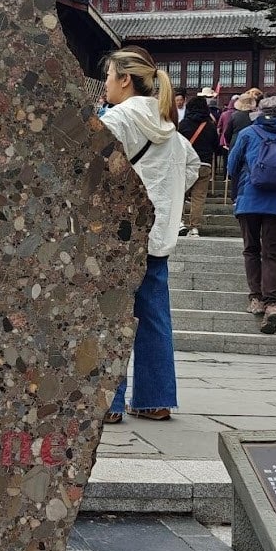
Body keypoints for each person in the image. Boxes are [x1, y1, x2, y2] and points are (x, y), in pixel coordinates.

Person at [97, 49, 201, 422]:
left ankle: (108, 403)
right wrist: (165, 196)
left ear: (125, 79)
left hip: (119, 236)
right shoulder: (167, 125)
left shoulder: (117, 119)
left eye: (109, 75)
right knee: (155, 317)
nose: (106, 83)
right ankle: (155, 400)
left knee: (112, 317)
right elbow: (192, 166)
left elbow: (91, 168)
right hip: (157, 237)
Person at [227, 94, 276, 334]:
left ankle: (256, 299)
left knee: (251, 249)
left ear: (259, 112)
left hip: (249, 199)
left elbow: (231, 166)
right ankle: (273, 304)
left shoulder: (247, 134)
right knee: (272, 254)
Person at [179, 94, 219, 236]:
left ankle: (179, 222)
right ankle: (194, 227)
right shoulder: (210, 126)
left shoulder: (183, 124)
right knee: (198, 197)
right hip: (204, 164)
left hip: (186, 163)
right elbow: (216, 145)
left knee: (180, 194)